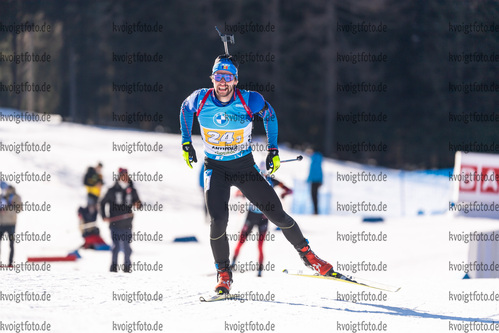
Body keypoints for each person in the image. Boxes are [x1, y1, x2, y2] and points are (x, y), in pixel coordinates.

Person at [180, 54, 343, 295]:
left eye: (227, 77)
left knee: (277, 214)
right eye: (218, 76)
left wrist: (273, 149)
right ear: (212, 78)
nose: (222, 82)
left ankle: (310, 257)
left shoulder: (249, 100)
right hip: (215, 168)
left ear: (235, 80)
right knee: (218, 222)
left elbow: (270, 116)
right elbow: (185, 108)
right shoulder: (200, 98)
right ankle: (224, 274)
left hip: (244, 168)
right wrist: (186, 142)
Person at [231, 172, 293, 277]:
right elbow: (237, 193)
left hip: (263, 218)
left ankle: (259, 270)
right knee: (241, 241)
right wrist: (242, 193)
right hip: (252, 216)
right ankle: (233, 263)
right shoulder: (252, 178)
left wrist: (284, 194)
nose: (263, 175)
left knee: (260, 245)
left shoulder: (272, 180)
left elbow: (289, 190)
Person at [100, 168, 141, 273]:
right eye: (123, 175)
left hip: (127, 224)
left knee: (127, 247)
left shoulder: (132, 190)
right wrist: (104, 216)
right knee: (116, 247)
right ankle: (113, 268)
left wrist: (138, 205)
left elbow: (138, 203)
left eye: (126, 175)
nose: (125, 177)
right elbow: (102, 202)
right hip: (115, 224)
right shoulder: (112, 190)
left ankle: (127, 268)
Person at [0, 185, 22, 266]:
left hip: (11, 224)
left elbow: (19, 209)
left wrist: (12, 206)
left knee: (11, 244)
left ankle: (10, 263)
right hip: (3, 224)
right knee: (11, 244)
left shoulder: (16, 197)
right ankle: (10, 263)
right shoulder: (2, 196)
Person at [307, 150, 323, 214]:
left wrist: (308, 179)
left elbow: (311, 172)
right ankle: (316, 210)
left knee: (313, 195)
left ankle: (315, 211)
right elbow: (320, 172)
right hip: (318, 181)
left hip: (314, 181)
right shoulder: (318, 161)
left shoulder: (313, 162)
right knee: (315, 196)